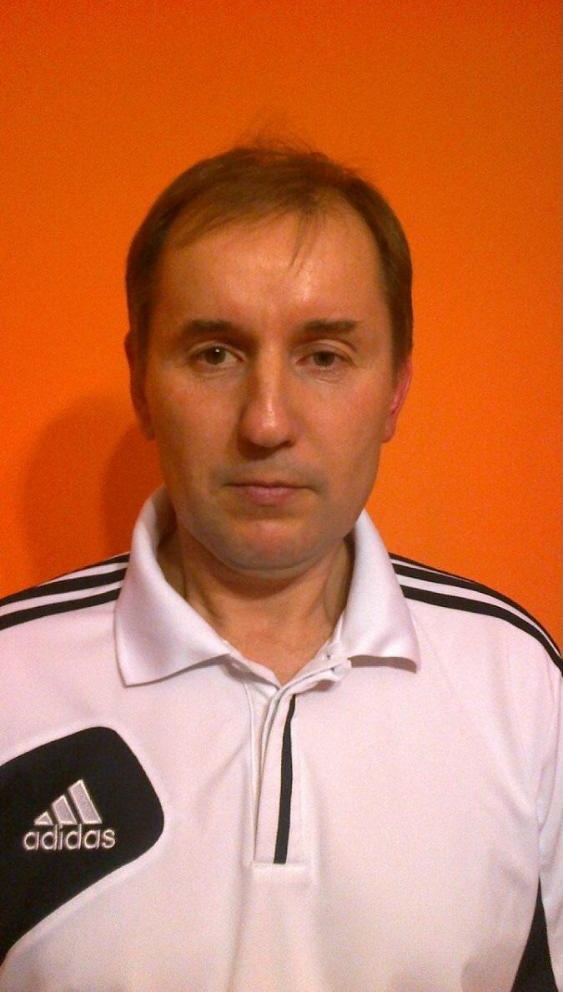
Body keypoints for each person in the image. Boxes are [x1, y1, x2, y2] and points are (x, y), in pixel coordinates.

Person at [0, 144, 560, 992]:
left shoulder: (519, 683)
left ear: (395, 390)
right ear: (142, 383)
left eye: (323, 356)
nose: (265, 422)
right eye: (214, 354)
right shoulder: (11, 680)